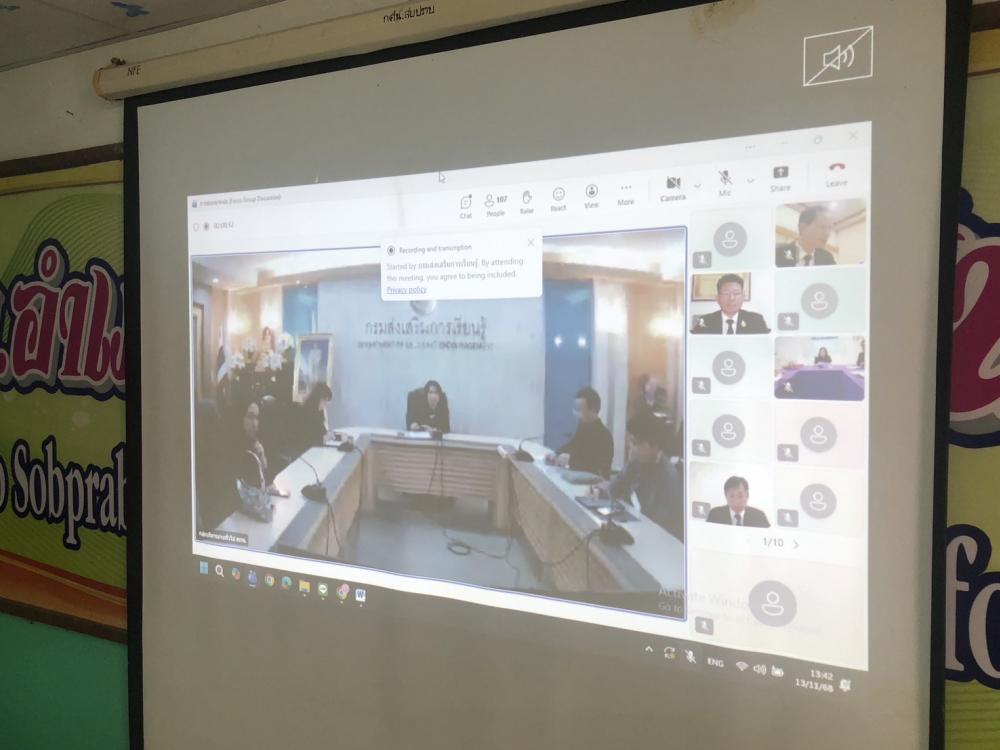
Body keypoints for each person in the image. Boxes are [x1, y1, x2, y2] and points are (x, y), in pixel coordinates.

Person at [591, 410, 683, 539]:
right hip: (633, 529)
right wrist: (599, 490)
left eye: (635, 443)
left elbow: (658, 529)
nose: (631, 447)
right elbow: (614, 489)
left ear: (654, 446)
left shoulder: (668, 478)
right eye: (630, 442)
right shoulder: (637, 462)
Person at [545, 387, 614, 478]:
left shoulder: (604, 436)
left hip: (594, 482)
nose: (577, 413)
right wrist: (556, 454)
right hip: (577, 477)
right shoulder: (583, 426)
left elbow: (596, 467)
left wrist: (571, 460)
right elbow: (573, 444)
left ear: (593, 410)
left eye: (580, 409)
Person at [691, 274, 770, 335]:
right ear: (717, 298)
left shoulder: (756, 320)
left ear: (743, 297)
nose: (731, 298)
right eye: (726, 293)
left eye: (736, 293)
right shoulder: (705, 321)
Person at [706, 476, 770, 527]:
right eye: (731, 496)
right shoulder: (715, 515)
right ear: (726, 496)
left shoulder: (759, 517)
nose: (736, 501)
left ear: (747, 495)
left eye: (740, 496)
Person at [295, 382, 333, 451]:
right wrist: (322, 439)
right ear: (318, 399)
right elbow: (302, 440)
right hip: (303, 452)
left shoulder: (319, 412)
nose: (326, 405)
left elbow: (323, 431)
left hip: (316, 450)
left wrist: (329, 435)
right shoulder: (303, 412)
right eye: (325, 401)